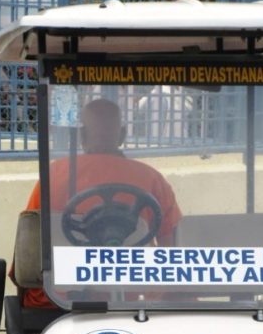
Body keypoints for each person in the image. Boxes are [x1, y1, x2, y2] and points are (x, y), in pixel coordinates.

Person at [11, 98, 182, 308]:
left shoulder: (53, 176)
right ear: (122, 135)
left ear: (82, 136)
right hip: (134, 304)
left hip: (60, 302)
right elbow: (173, 252)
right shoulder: (152, 180)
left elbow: (30, 247)